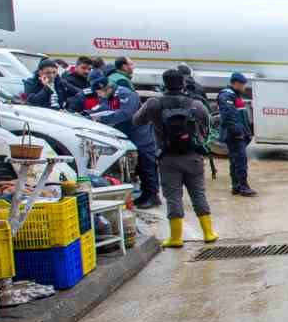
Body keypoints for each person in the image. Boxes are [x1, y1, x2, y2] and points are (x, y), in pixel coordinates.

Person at [135, 69, 217, 248]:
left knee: (173, 196)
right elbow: (208, 125)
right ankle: (209, 233)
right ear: (183, 83)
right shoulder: (195, 104)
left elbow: (137, 121)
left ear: (164, 83)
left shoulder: (154, 103)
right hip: (193, 157)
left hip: (168, 158)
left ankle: (176, 237)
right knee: (198, 194)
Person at [90, 77, 161, 209]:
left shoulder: (126, 94)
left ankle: (153, 195)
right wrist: (88, 115)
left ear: (108, 88)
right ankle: (145, 195)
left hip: (141, 134)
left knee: (147, 165)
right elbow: (101, 108)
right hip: (129, 135)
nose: (100, 95)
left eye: (100, 92)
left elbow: (126, 114)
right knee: (139, 166)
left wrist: (100, 118)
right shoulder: (109, 97)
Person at [217, 72, 256, 197]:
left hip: (239, 134)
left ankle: (237, 186)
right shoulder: (227, 96)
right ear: (236, 84)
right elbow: (229, 117)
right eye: (243, 85)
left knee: (235, 161)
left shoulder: (235, 96)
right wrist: (238, 133)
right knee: (240, 161)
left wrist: (247, 133)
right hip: (234, 135)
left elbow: (241, 117)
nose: (244, 88)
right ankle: (243, 186)